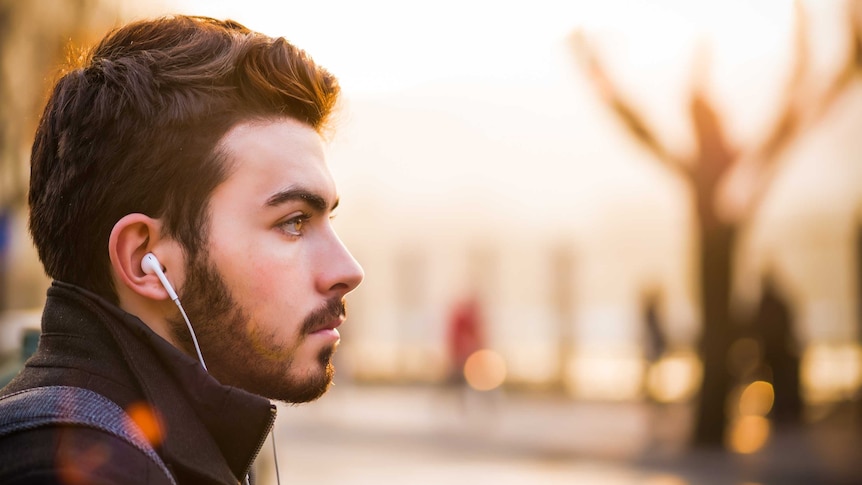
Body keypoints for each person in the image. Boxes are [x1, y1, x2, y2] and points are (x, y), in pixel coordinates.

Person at [0, 15, 364, 484]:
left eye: (326, 218)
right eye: (293, 222)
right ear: (145, 262)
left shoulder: (161, 447)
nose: (348, 269)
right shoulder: (66, 467)